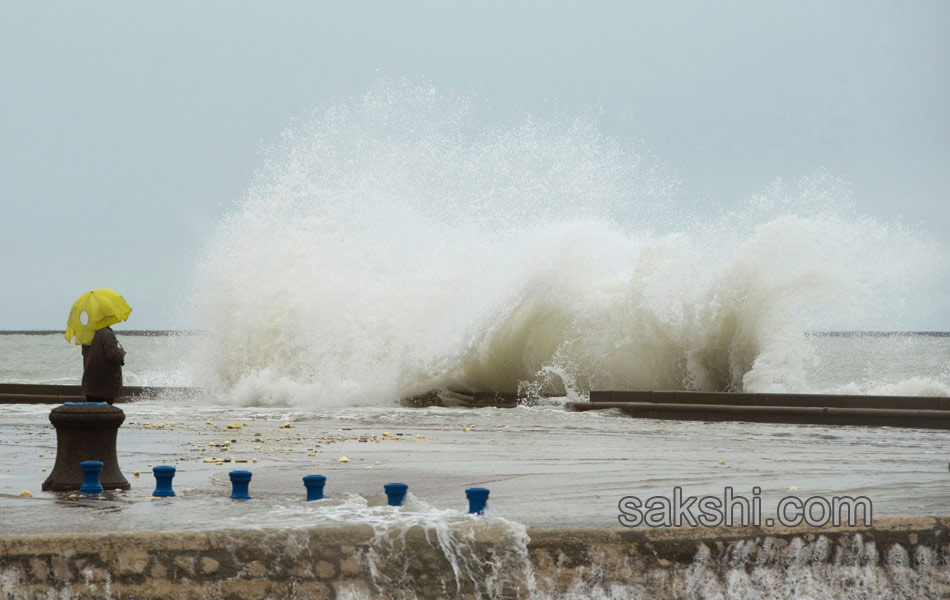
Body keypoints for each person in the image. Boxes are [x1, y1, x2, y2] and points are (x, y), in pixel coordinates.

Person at [81, 326, 127, 404]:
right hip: (105, 382)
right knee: (106, 412)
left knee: (92, 411)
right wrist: (121, 352)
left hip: (90, 381)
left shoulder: (87, 334)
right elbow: (112, 355)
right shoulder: (107, 333)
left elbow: (84, 353)